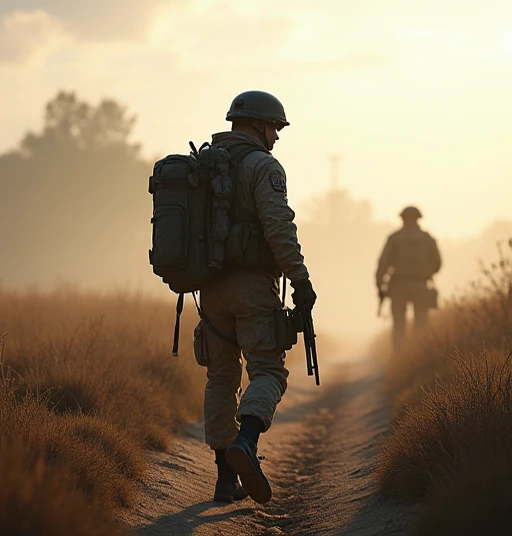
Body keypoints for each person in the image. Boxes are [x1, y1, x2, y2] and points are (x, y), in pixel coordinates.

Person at [199, 90, 316, 504]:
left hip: (208, 291)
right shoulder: (263, 166)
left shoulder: (207, 164)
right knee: (268, 371)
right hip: (251, 289)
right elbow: (279, 227)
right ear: (257, 126)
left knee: (221, 378)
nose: (277, 137)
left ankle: (224, 480)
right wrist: (300, 281)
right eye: (275, 128)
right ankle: (246, 442)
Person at [376, 206, 441, 350]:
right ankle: (419, 357)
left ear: (402, 219)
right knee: (421, 325)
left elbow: (383, 263)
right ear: (418, 219)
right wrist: (426, 272)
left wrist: (380, 285)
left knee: (399, 325)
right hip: (421, 285)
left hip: (398, 286)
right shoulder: (427, 238)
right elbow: (437, 263)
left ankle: (400, 357)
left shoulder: (394, 238)